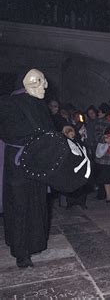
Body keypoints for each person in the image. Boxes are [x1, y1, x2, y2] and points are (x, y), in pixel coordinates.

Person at [0, 69, 53, 268]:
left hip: (37, 161)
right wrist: (36, 138)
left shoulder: (39, 104)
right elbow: (9, 132)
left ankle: (35, 243)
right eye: (38, 82)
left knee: (37, 201)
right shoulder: (9, 103)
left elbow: (48, 130)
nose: (44, 87)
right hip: (18, 164)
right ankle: (21, 251)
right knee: (20, 205)